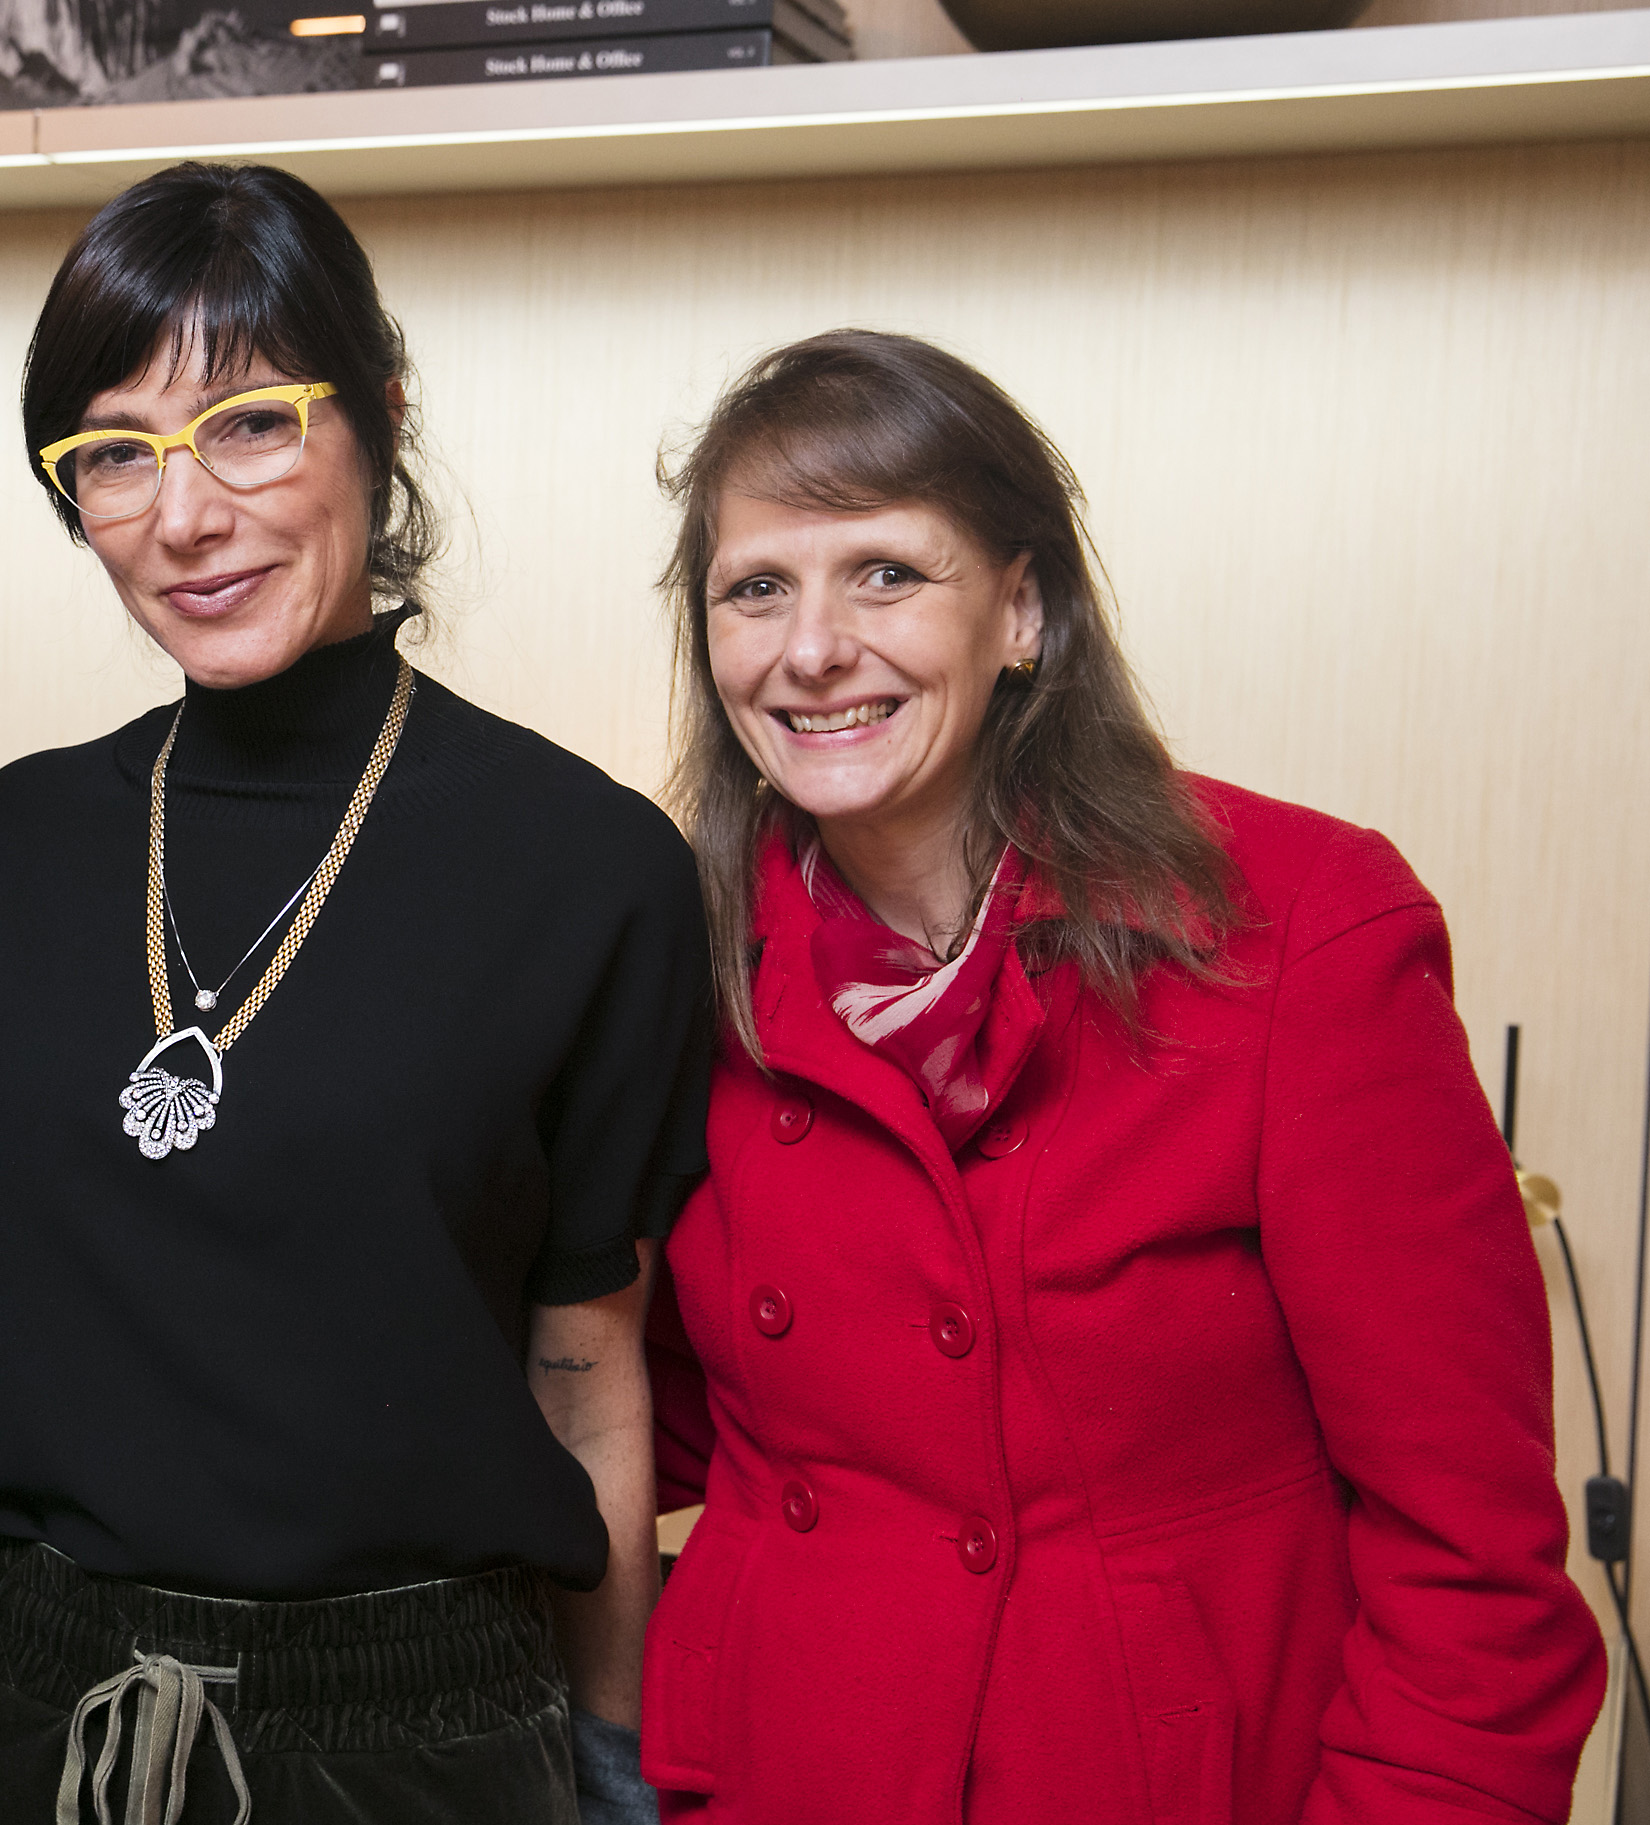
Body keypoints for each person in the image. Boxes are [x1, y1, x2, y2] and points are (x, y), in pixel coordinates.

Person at [639, 329, 1605, 1823]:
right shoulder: (671, 956)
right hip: (790, 1767)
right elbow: (663, 1411)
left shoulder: (1296, 931)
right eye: (754, 587)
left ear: (1020, 610)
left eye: (886, 572)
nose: (811, 645)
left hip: (1157, 1772)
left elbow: (1469, 1565)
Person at [0, 161, 715, 1824]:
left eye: (249, 422)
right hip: (3, 1685)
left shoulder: (588, 865)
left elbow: (585, 1366)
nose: (183, 515)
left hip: (412, 1730)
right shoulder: (22, 834)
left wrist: (611, 1754)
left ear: (376, 417)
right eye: (113, 454)